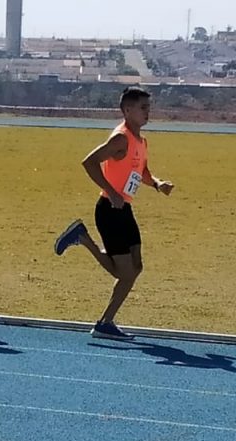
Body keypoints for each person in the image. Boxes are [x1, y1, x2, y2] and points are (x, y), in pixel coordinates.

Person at [54, 87, 174, 340]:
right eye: (142, 108)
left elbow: (140, 171)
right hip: (109, 210)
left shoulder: (141, 141)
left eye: (148, 108)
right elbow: (89, 162)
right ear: (127, 110)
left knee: (136, 266)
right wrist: (112, 191)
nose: (147, 113)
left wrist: (157, 183)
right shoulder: (120, 138)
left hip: (124, 210)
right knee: (124, 273)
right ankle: (83, 239)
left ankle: (106, 322)